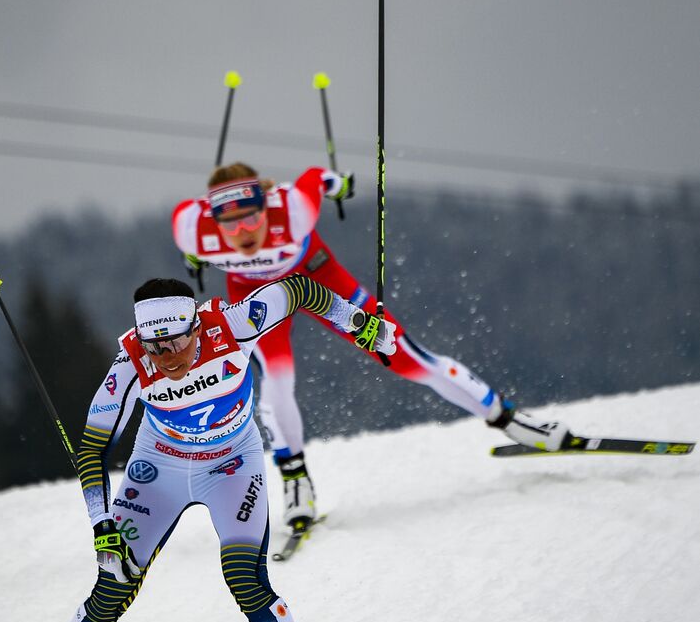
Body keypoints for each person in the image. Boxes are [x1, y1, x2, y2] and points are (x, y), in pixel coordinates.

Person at [1, 273, 396, 622]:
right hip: (158, 470)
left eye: (176, 341)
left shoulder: (233, 324)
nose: (166, 357)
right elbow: (92, 447)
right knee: (111, 588)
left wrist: (357, 323)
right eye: (154, 346)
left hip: (232, 465)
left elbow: (298, 289)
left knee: (246, 580)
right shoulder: (129, 363)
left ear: (196, 325)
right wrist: (101, 526)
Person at [172, 164, 571, 528]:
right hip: (257, 295)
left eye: (252, 218)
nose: (244, 233)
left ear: (265, 205)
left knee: (403, 355)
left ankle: (510, 419)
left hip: (318, 278)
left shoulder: (292, 209)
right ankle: (297, 483)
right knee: (275, 383)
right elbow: (189, 221)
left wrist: (342, 184)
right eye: (230, 224)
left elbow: (318, 177)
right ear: (212, 218)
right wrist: (194, 254)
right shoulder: (193, 229)